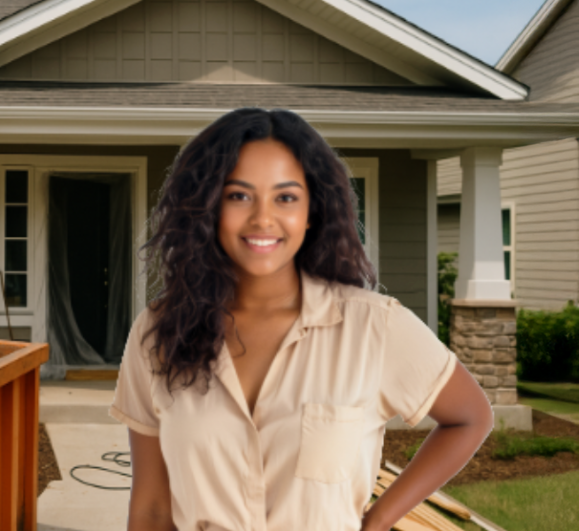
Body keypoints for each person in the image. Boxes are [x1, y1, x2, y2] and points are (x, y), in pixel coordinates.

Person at [110, 108, 493, 531]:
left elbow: (471, 417)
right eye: (238, 195)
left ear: (312, 211)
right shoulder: (157, 333)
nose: (262, 218)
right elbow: (150, 508)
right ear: (209, 208)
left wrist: (380, 519)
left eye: (286, 197)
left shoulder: (374, 327)